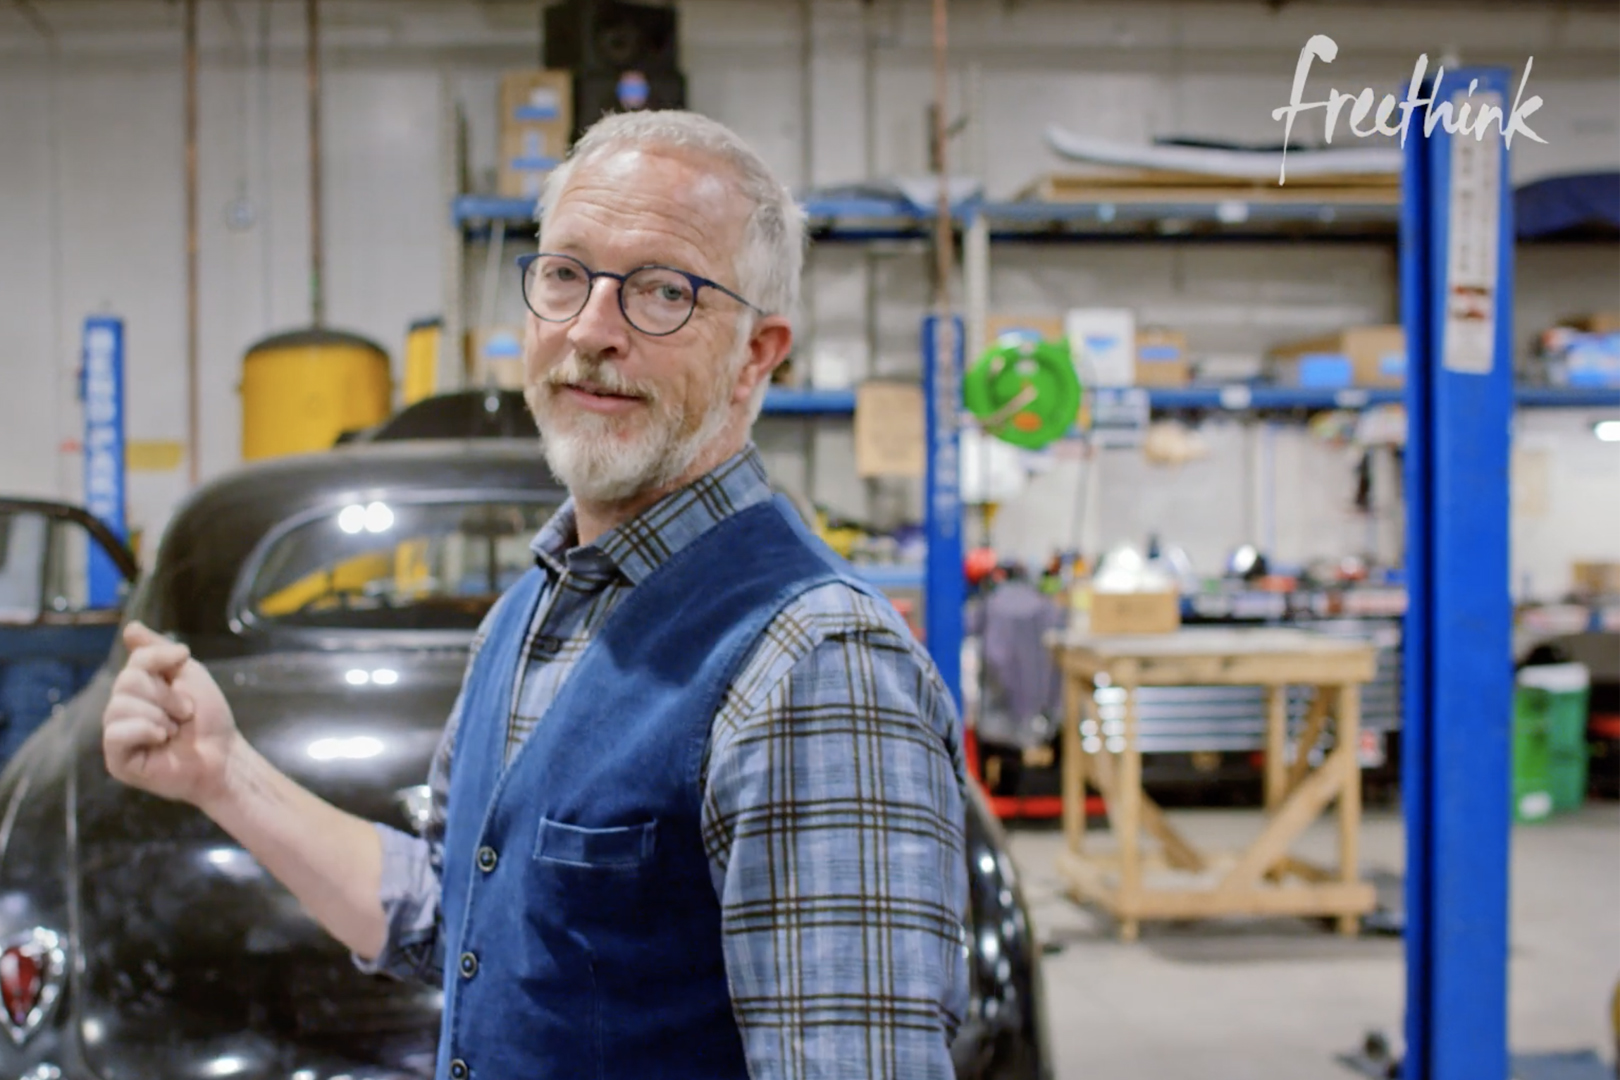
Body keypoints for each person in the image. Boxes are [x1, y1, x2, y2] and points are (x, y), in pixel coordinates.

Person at [102, 109, 969, 1080]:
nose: (593, 330)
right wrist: (224, 773)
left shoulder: (815, 667)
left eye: (661, 291)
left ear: (757, 355)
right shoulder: (530, 615)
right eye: (566, 275)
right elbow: (459, 923)